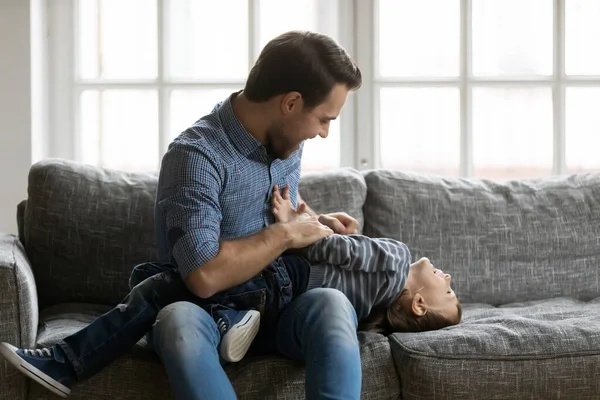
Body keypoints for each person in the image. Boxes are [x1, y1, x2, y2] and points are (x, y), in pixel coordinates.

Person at [0, 30, 370, 400]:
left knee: (332, 303)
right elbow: (204, 275)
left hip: (273, 306)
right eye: (324, 120)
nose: (323, 133)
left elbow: (282, 213)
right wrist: (286, 236)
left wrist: (317, 224)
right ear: (290, 103)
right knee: (178, 319)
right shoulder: (195, 156)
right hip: (204, 311)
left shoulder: (287, 142)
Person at [0, 183, 461, 398]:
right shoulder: (372, 297)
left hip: (283, 279)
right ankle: (229, 317)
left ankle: (67, 362)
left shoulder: (395, 259)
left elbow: (332, 252)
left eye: (448, 293)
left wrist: (301, 226)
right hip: (280, 285)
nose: (449, 279)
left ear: (418, 302)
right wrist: (314, 222)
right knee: (156, 283)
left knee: (158, 285)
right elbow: (337, 248)